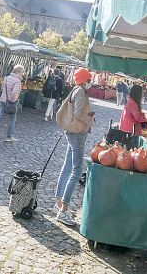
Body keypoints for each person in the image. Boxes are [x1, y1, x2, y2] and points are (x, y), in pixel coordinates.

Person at [53, 67, 95, 227]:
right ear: (84, 80)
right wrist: (90, 120)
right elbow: (78, 114)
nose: (91, 82)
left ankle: (58, 202)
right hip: (77, 133)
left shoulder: (76, 90)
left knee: (67, 167)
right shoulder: (81, 93)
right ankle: (63, 211)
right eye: (90, 80)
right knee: (76, 171)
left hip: (71, 132)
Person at [0, 64, 24, 142]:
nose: (23, 73)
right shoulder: (17, 81)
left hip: (3, 100)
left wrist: (6, 97)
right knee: (12, 119)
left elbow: (2, 88)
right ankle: (9, 136)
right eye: (23, 71)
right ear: (18, 72)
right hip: (11, 102)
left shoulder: (6, 78)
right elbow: (14, 93)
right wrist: (13, 100)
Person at [119, 84, 147, 148]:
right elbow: (137, 117)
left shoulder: (131, 101)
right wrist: (145, 122)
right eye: (142, 93)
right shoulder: (133, 103)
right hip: (130, 130)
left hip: (126, 128)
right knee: (131, 148)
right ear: (138, 93)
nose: (142, 95)